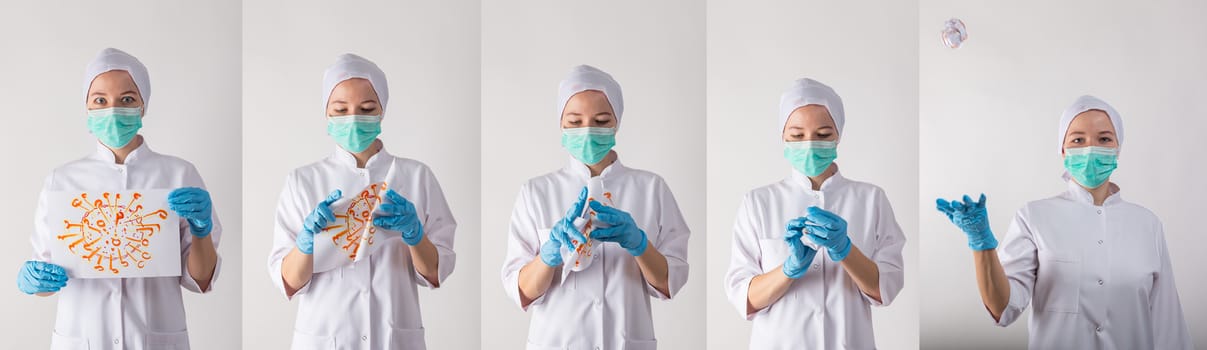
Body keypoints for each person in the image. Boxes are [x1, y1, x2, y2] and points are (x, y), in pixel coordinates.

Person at [935, 95, 1192, 349]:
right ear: (1062, 149)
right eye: (1078, 140)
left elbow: (1168, 324)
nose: (1090, 149)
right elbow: (1004, 307)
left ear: (1118, 148)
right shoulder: (1035, 217)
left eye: (1104, 139)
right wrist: (982, 244)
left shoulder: (1147, 225)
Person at [16, 48, 222, 349]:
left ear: (143, 105)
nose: (112, 110)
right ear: (87, 106)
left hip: (155, 338)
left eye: (126, 99)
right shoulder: (61, 180)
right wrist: (34, 280)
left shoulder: (178, 174)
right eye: (100, 100)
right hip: (81, 337)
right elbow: (47, 269)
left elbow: (200, 280)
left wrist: (201, 231)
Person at [267, 54, 457, 349]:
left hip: (393, 337)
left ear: (382, 111)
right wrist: (306, 244)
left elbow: (435, 273)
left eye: (366, 109)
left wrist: (415, 235)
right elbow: (288, 282)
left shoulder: (416, 176)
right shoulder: (302, 181)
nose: (353, 119)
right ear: (326, 114)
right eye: (340, 110)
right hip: (324, 338)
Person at [500, 65, 690, 349]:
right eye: (575, 122)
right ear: (560, 123)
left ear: (617, 122)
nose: (588, 131)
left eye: (601, 121)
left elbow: (669, 282)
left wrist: (639, 244)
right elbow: (522, 291)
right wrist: (550, 255)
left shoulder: (652, 189)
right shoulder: (536, 192)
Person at [723, 78, 906, 349]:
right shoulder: (758, 202)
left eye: (822, 135)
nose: (809, 145)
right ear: (783, 136)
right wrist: (789, 269)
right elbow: (744, 297)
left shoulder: (871, 199)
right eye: (797, 135)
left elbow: (886, 289)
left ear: (838, 135)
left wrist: (845, 250)